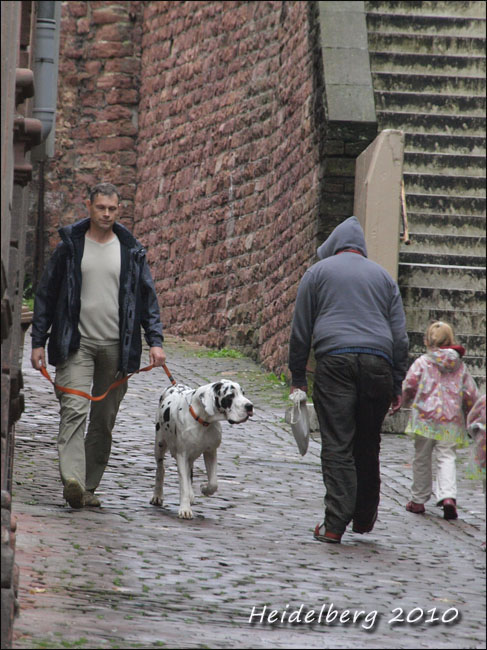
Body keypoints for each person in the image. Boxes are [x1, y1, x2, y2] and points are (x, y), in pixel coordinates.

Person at [31, 183, 166, 509]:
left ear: (118, 210)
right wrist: (38, 341)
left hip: (118, 347)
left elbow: (147, 298)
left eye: (112, 209)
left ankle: (88, 486)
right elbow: (46, 293)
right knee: (74, 410)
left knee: (103, 420)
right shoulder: (70, 246)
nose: (106, 214)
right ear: (88, 206)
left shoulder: (131, 251)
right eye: (101, 207)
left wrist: (155, 342)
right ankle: (73, 480)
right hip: (75, 343)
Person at [289, 216, 409, 544]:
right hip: (378, 365)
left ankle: (334, 524)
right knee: (368, 443)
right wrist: (397, 381)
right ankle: (364, 517)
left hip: (335, 362)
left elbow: (301, 329)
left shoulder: (317, 273)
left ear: (334, 246)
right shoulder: (384, 279)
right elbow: (400, 338)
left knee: (338, 442)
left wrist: (298, 376)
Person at [401, 321, 479, 520]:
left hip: (424, 418)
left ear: (427, 341)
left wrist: (404, 400)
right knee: (447, 456)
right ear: (451, 340)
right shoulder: (459, 366)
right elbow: (470, 393)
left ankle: (418, 500)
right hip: (451, 420)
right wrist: (471, 412)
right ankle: (448, 496)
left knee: (422, 458)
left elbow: (409, 384)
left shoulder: (422, 362)